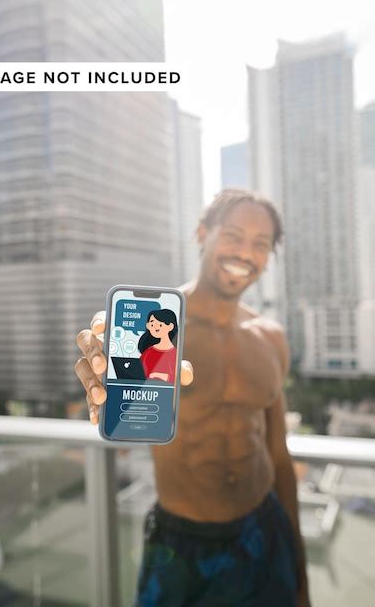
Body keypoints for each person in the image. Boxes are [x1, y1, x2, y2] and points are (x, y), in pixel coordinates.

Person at [75, 189, 311, 607]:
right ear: (203, 232)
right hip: (181, 546)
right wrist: (103, 366)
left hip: (264, 529)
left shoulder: (271, 338)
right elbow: (116, 401)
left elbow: (277, 455)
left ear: (268, 258)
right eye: (234, 235)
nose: (245, 252)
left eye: (260, 244)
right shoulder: (156, 329)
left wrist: (299, 571)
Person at [139, 309, 178, 383]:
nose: (155, 328)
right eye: (152, 325)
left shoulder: (174, 353)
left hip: (165, 392)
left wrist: (160, 375)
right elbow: (139, 372)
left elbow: (175, 378)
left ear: (170, 326)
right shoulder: (149, 351)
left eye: (160, 325)